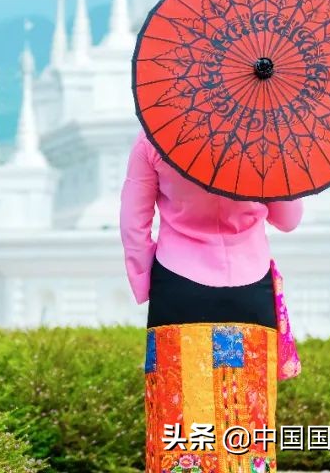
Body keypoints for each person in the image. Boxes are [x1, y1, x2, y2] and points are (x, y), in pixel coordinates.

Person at [120, 129, 303, 473]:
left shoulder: (155, 137)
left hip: (178, 286)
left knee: (180, 419)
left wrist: (146, 283)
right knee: (248, 421)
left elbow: (134, 225)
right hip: (251, 286)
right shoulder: (265, 136)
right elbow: (288, 219)